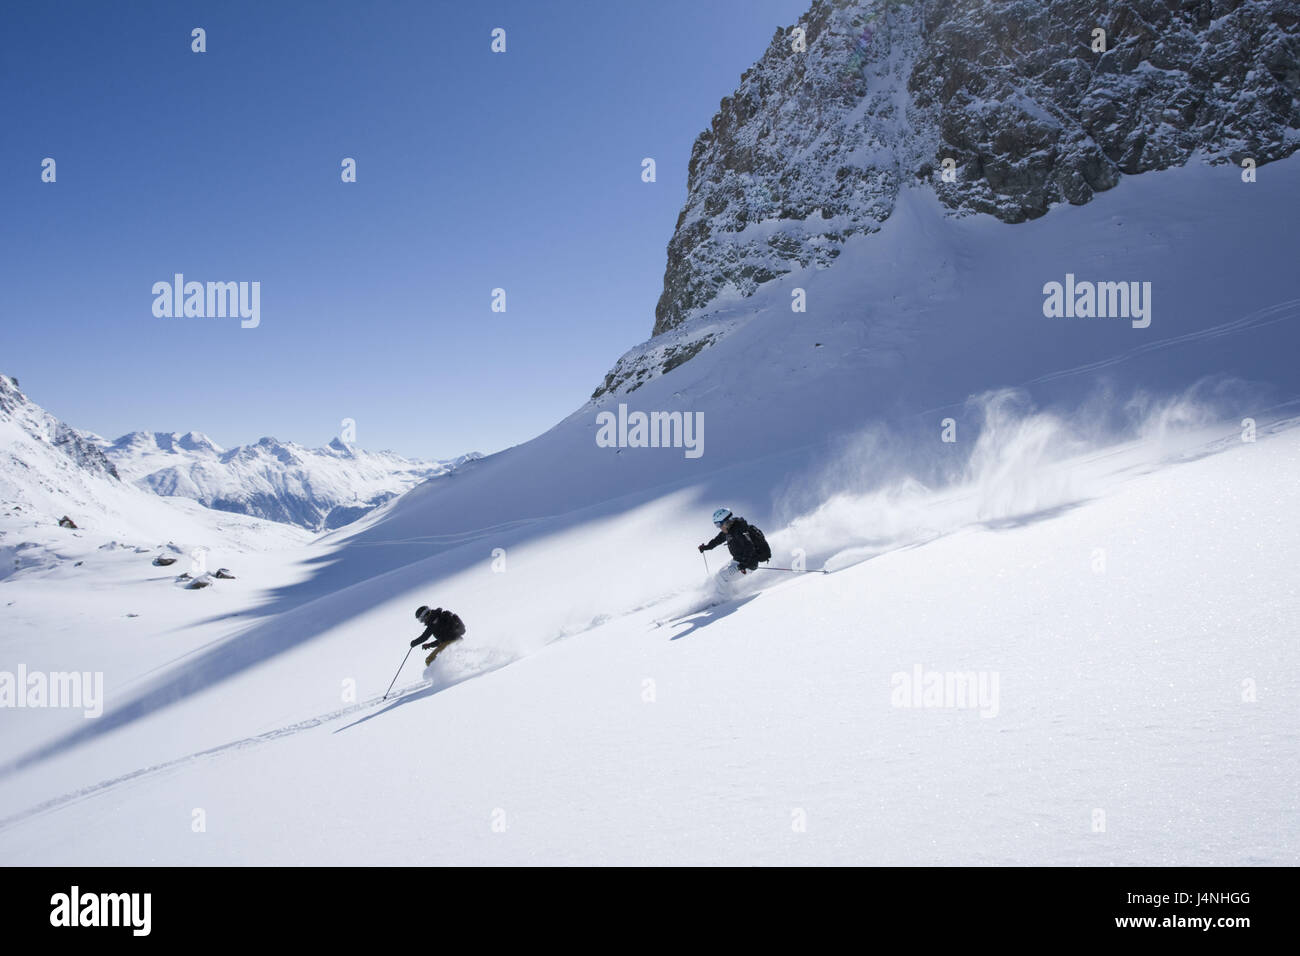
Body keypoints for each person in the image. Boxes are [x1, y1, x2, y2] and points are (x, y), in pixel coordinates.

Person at [698, 508, 770, 586]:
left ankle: (723, 597)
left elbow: (750, 548)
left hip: (747, 564)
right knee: (718, 575)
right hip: (738, 561)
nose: (719, 527)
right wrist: (706, 547)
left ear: (726, 521)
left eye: (718, 524)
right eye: (716, 525)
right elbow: (717, 540)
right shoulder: (728, 531)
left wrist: (743, 565)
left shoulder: (739, 531)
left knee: (721, 578)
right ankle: (730, 593)